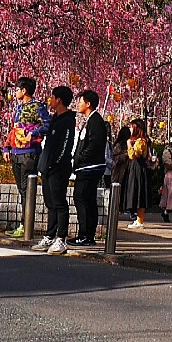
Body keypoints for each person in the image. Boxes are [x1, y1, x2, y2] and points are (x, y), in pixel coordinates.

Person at [1, 77, 49, 238]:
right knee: (22, 190)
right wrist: (6, 147)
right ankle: (23, 224)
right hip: (16, 152)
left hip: (29, 153)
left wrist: (33, 134)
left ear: (24, 91)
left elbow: (47, 126)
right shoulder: (18, 108)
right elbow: (14, 130)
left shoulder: (38, 107)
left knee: (27, 190)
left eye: (17, 89)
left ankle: (25, 225)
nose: (14, 92)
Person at [31, 85, 75, 255]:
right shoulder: (55, 119)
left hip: (58, 169)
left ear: (59, 100)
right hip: (47, 168)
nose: (49, 100)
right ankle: (50, 235)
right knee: (50, 204)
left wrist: (54, 164)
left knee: (59, 203)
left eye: (52, 97)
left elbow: (65, 146)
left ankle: (61, 238)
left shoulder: (67, 121)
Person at [69, 89, 108, 246]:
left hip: (89, 167)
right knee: (87, 199)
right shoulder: (91, 120)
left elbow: (94, 145)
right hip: (86, 167)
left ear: (88, 104)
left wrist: (79, 158)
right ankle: (87, 235)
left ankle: (85, 234)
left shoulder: (95, 121)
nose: (78, 104)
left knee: (82, 198)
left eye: (80, 101)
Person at [120, 118, 153, 229]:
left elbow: (133, 155)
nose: (129, 129)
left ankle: (139, 220)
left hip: (138, 168)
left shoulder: (141, 141)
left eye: (131, 127)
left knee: (139, 193)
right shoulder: (140, 140)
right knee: (137, 193)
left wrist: (129, 144)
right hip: (136, 168)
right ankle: (138, 219)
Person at [109, 124, 131, 218]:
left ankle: (125, 207)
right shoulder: (119, 145)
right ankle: (119, 207)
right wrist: (126, 155)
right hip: (120, 171)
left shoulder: (130, 144)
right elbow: (115, 158)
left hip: (128, 170)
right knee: (120, 189)